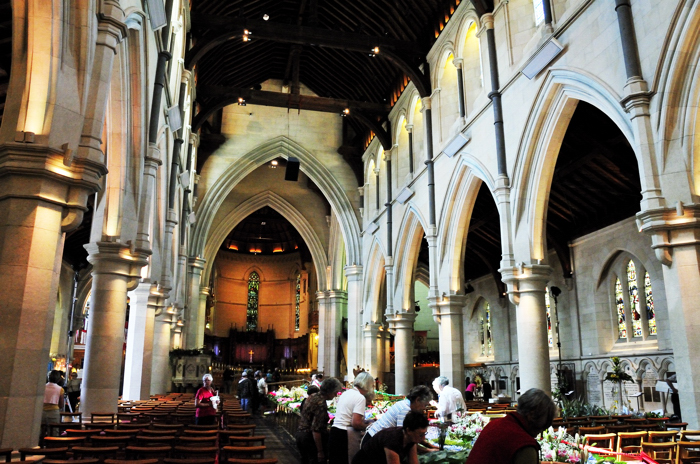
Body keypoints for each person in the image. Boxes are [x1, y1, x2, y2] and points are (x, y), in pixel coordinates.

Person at [467, 388, 556, 464]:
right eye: (545, 423)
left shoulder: (494, 424)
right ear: (531, 415)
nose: (543, 429)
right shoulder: (524, 444)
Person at [364, 385, 438, 453]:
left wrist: (429, 446)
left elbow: (413, 435)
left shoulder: (406, 405)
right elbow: (404, 437)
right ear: (417, 400)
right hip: (373, 442)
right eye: (424, 405)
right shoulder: (405, 409)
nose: (424, 408)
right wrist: (428, 450)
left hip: (380, 440)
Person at [329, 371, 375, 464]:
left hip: (334, 432)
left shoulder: (346, 393)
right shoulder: (360, 397)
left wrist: (364, 421)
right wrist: (369, 425)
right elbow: (356, 423)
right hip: (344, 436)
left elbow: (348, 416)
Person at [351, 411, 429, 464]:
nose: (423, 438)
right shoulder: (392, 440)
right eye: (421, 434)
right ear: (408, 430)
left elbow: (413, 462)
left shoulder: (411, 439)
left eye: (424, 434)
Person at [296, 377, 343, 464]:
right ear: (329, 391)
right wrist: (320, 451)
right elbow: (316, 429)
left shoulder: (313, 396)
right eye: (335, 393)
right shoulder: (321, 403)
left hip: (300, 435)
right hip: (309, 439)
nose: (335, 396)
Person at [43, 370, 65, 436]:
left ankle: (40, 445)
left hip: (41, 411)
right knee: (54, 432)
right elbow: (61, 403)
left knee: (40, 432)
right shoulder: (60, 389)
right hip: (53, 411)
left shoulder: (42, 387)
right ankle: (52, 445)